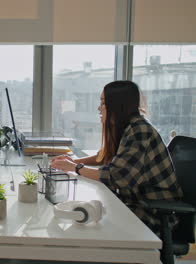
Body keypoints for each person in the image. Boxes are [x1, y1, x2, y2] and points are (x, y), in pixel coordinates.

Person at [51, 80, 183, 235]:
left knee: (90, 227)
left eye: (103, 103)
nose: (99, 108)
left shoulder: (139, 130)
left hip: (153, 212)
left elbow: (116, 177)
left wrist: (75, 168)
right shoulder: (128, 127)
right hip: (134, 202)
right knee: (89, 216)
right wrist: (73, 162)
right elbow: (105, 156)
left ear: (118, 105)